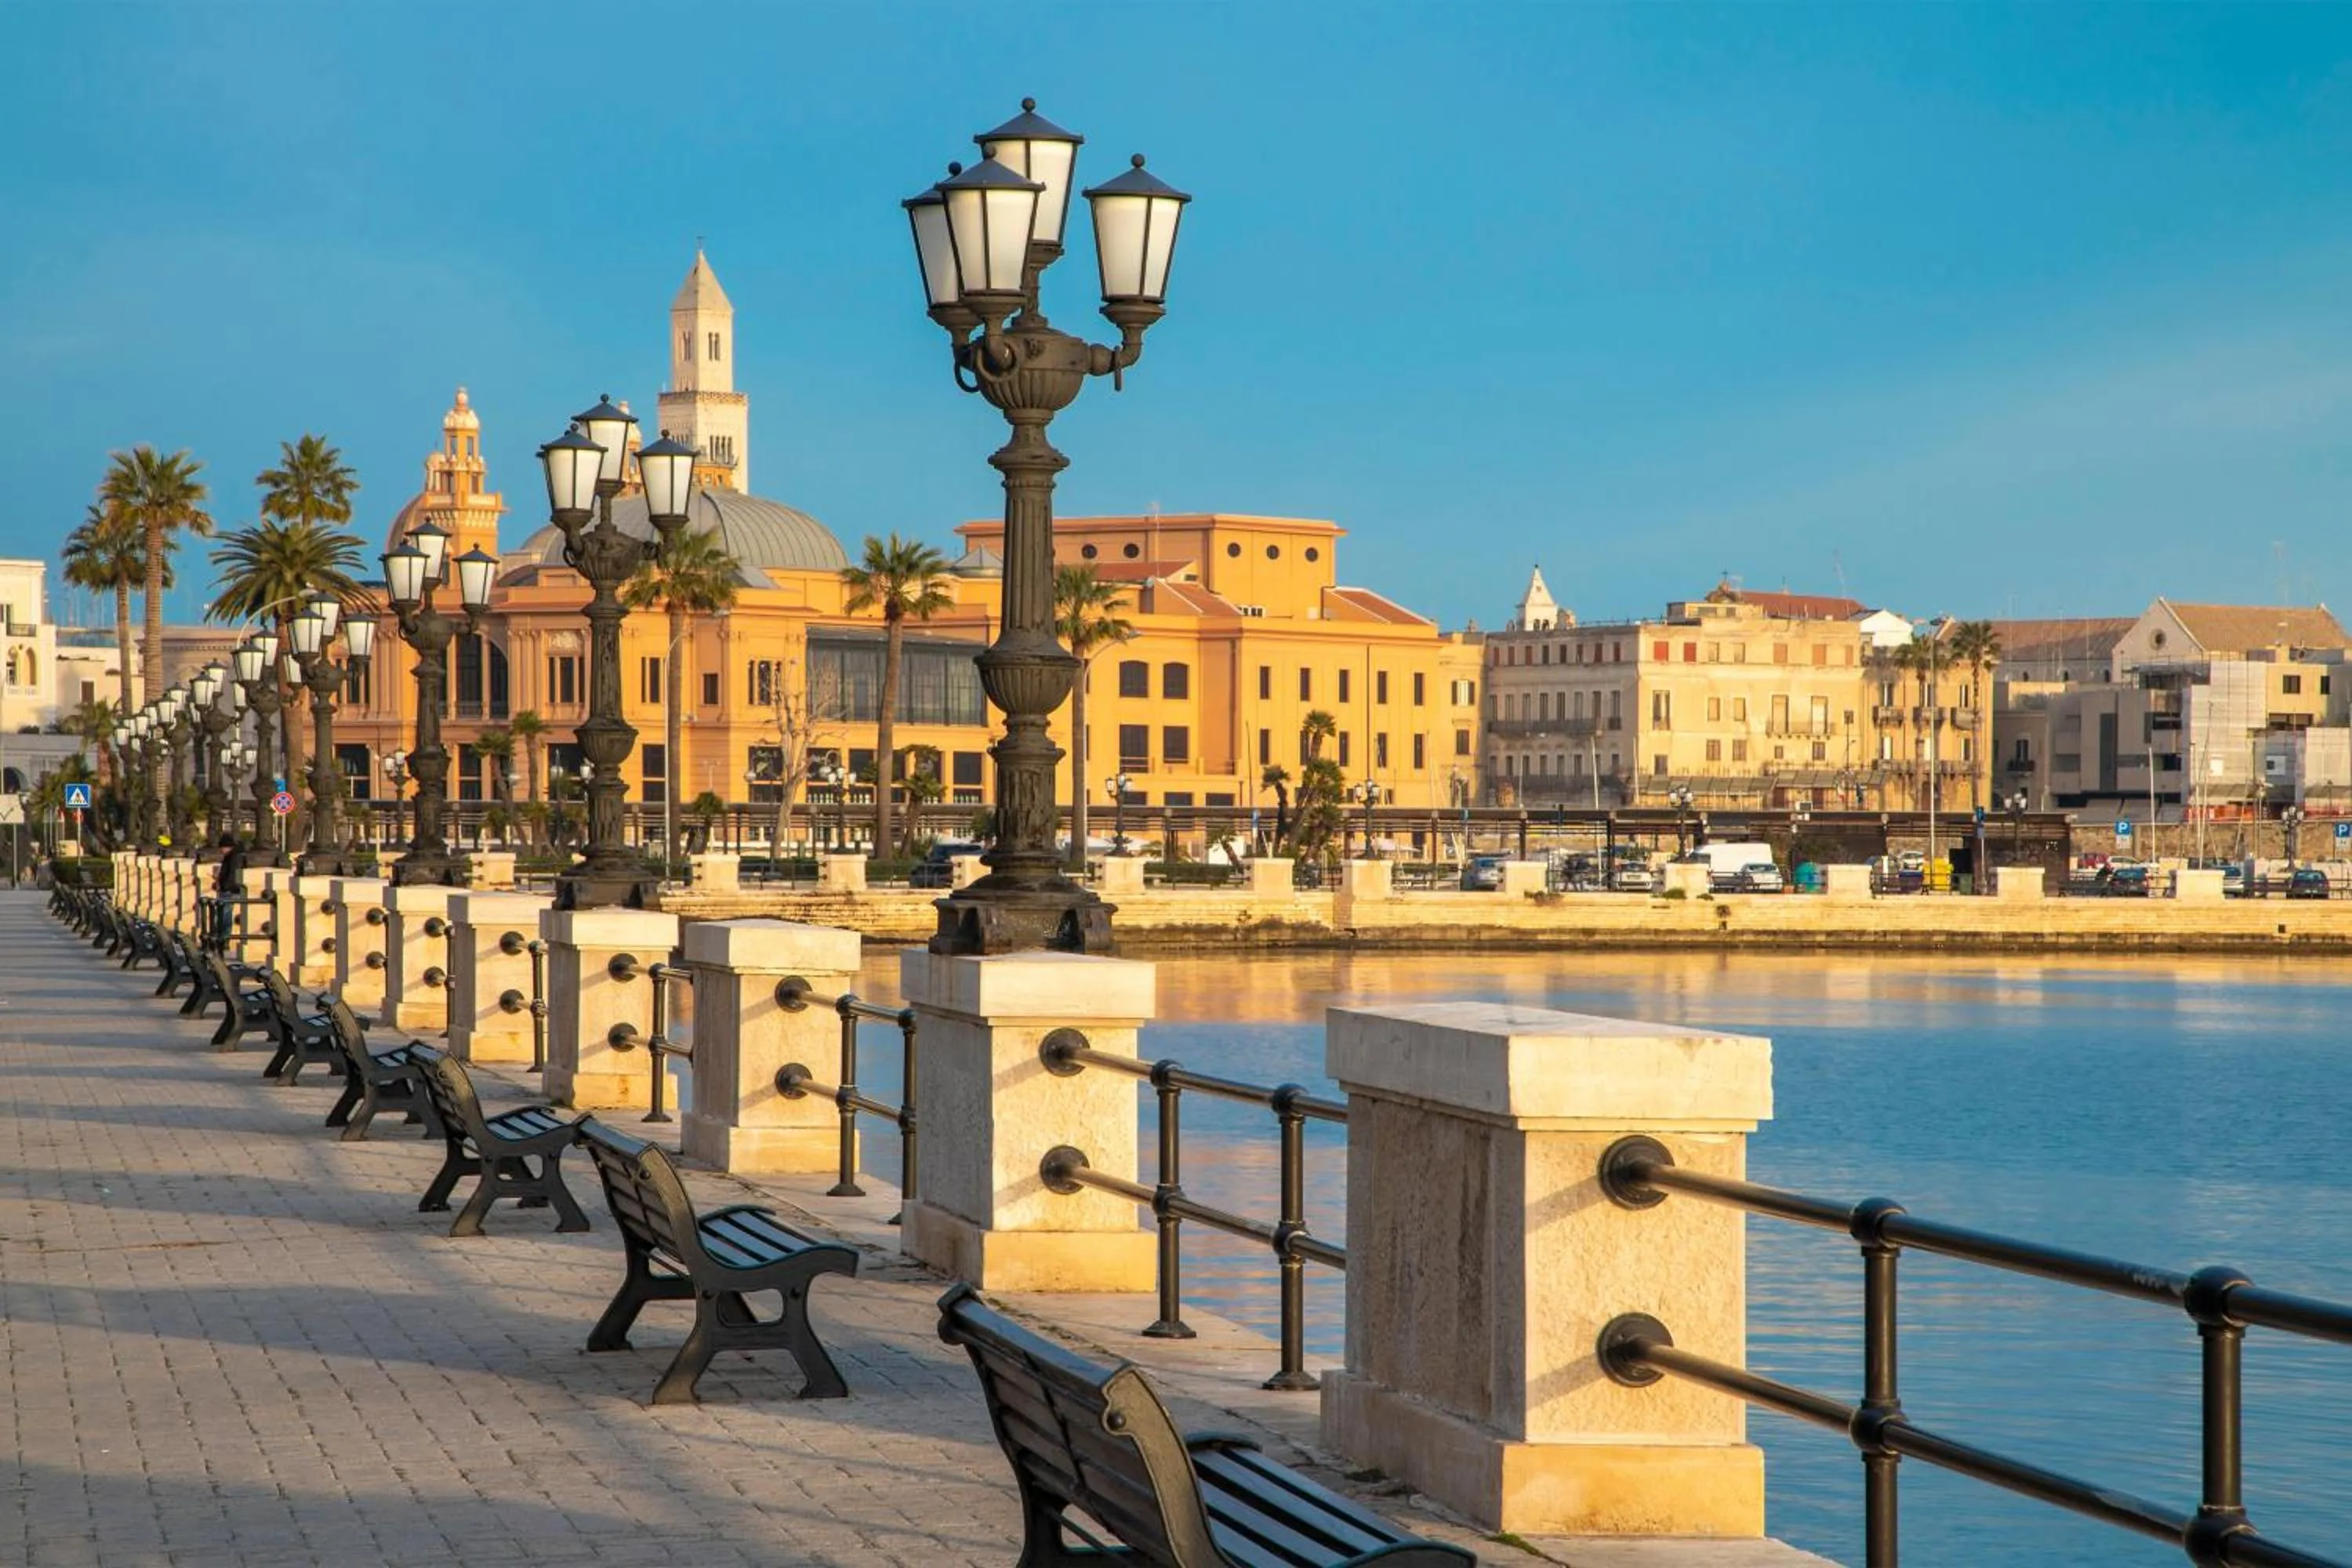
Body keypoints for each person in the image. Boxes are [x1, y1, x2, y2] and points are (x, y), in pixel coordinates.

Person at [210, 833, 246, 952]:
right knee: (222, 915)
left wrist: (225, 886)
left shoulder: (234, 857)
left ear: (227, 847)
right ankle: (222, 939)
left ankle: (223, 940)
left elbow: (232, 875)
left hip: (230, 890)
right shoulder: (232, 856)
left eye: (222, 848)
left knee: (224, 915)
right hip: (228, 889)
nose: (221, 851)